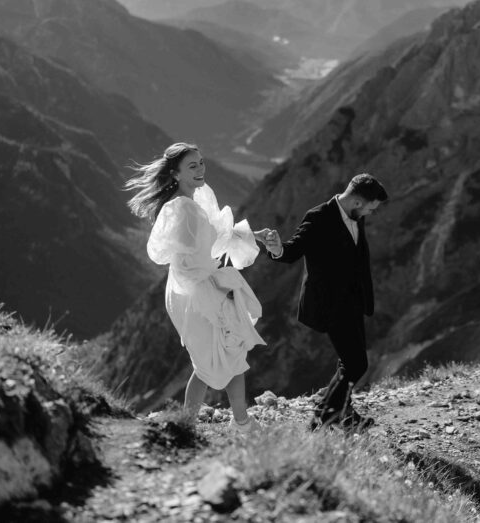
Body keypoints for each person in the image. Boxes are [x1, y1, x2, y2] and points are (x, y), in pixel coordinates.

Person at [126, 142, 272, 431]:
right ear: (175, 174)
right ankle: (189, 426)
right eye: (192, 166)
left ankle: (241, 422)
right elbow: (187, 259)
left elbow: (215, 235)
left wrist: (253, 235)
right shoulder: (183, 208)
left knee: (232, 351)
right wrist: (212, 288)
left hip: (200, 285)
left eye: (201, 162)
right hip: (193, 291)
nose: (201, 169)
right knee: (208, 363)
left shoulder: (195, 201)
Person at [263, 173, 388, 431]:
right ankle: (324, 416)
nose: (370, 214)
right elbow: (293, 251)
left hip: (353, 301)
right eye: (370, 209)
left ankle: (343, 412)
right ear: (356, 202)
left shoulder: (355, 215)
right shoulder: (319, 217)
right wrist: (276, 248)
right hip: (330, 304)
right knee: (357, 363)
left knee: (348, 361)